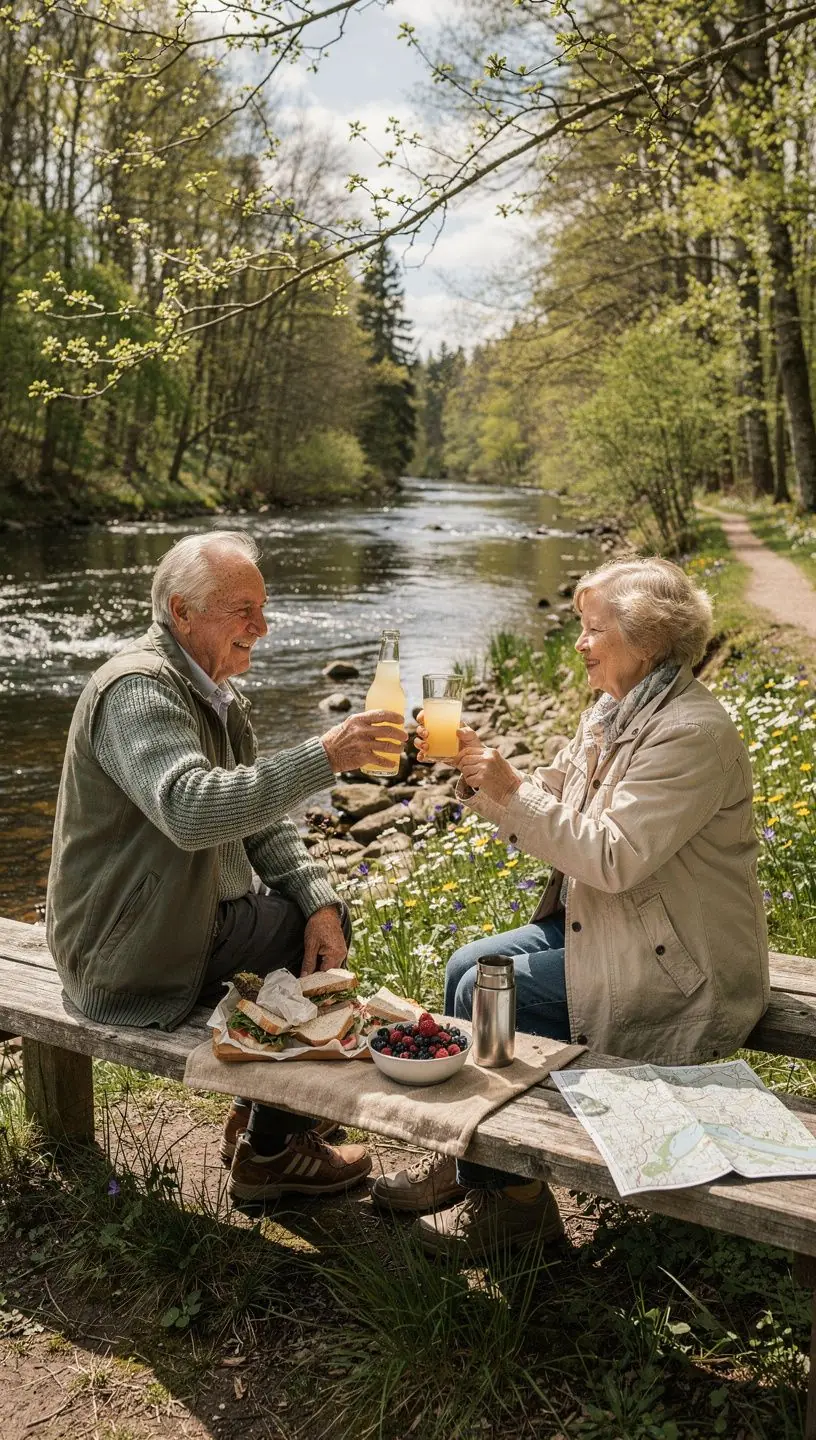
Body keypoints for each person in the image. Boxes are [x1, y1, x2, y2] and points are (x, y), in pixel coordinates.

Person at [372, 557, 770, 1255]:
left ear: (644, 641)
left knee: (483, 991)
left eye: (593, 630)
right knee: (469, 964)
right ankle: (474, 1156)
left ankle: (514, 1208)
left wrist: (514, 792)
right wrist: (481, 773)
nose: (580, 644)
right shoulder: (614, 712)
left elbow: (611, 856)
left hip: (682, 967)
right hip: (623, 930)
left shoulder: (691, 734)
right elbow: (551, 794)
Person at [46, 531, 407, 1204]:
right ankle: (271, 1152)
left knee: (313, 921)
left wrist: (320, 897)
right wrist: (321, 758)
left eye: (262, 609)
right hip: (116, 950)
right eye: (243, 609)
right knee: (294, 944)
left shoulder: (213, 693)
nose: (261, 627)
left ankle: (256, 1118)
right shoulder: (139, 691)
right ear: (181, 612)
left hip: (163, 925)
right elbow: (190, 811)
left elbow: (261, 818)